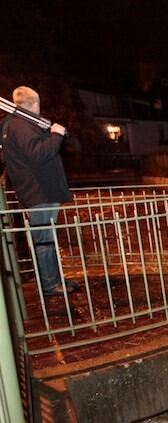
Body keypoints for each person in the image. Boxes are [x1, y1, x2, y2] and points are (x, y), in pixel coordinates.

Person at [1, 86, 77, 297]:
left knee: (46, 237)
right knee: (44, 238)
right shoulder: (21, 125)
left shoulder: (10, 124)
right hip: (40, 191)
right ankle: (50, 284)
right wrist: (56, 135)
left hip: (36, 190)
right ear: (34, 104)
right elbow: (39, 153)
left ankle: (54, 278)